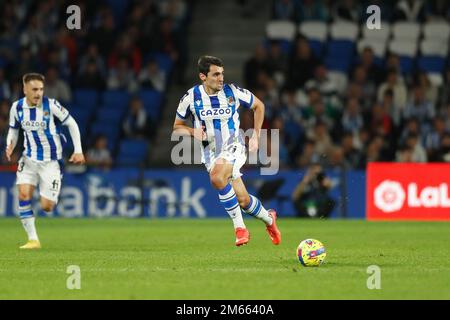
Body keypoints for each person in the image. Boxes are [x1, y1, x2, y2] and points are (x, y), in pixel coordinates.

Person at [172, 56, 281, 247]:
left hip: (234, 145)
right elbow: (177, 127)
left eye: (222, 74)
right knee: (244, 200)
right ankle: (270, 220)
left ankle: (240, 228)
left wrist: (255, 135)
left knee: (216, 177)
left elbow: (259, 106)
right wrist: (192, 131)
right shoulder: (190, 97)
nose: (221, 78)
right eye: (215, 74)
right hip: (210, 153)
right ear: (203, 77)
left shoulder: (233, 91)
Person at [4, 73, 85, 249]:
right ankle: (33, 240)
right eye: (34, 89)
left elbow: (72, 123)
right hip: (29, 158)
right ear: (24, 89)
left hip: (51, 161)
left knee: (47, 206)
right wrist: (9, 145)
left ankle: (54, 186)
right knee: (23, 195)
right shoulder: (16, 108)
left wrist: (78, 150)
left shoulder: (51, 105)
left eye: (41, 89)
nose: (38, 93)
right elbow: (14, 130)